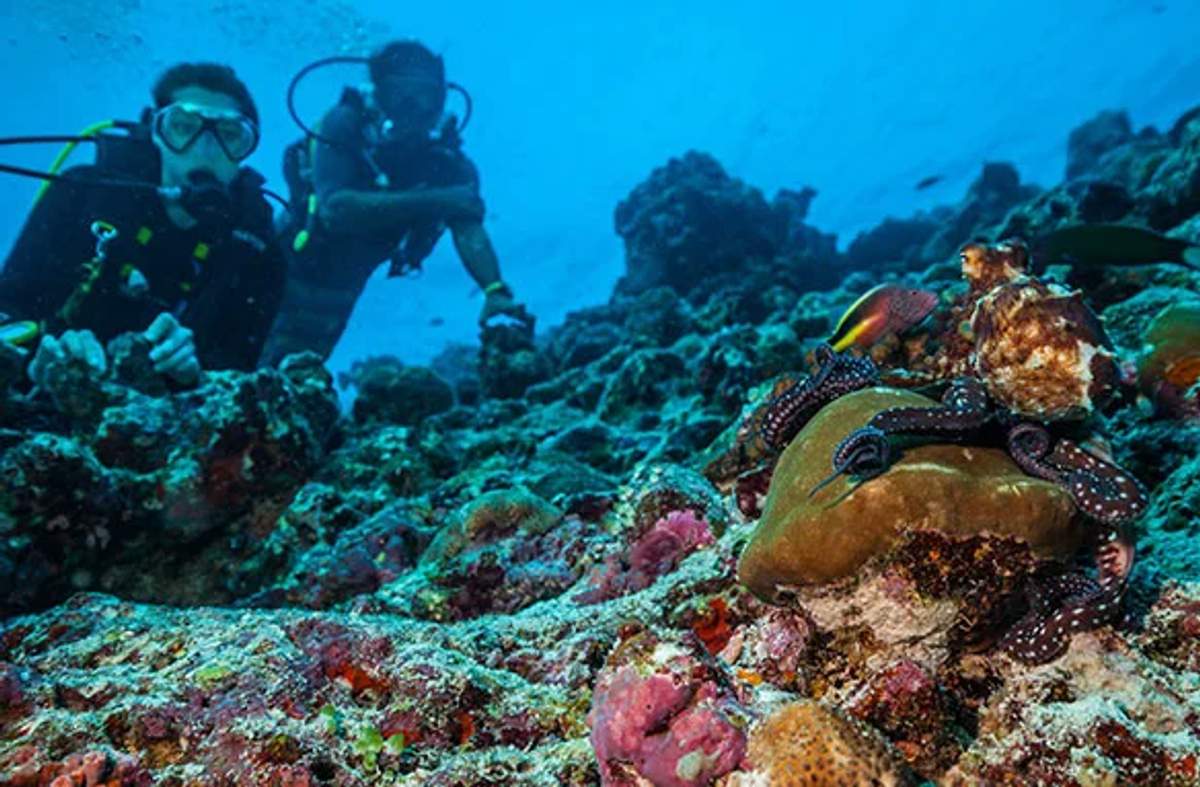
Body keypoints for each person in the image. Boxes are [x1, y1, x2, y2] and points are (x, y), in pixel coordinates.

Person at [0, 62, 286, 389]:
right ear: (156, 133)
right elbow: (8, 303)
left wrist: (196, 374)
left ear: (244, 151)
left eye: (230, 135)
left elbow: (237, 373)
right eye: (182, 127)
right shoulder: (80, 193)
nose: (204, 151)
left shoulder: (259, 253)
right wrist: (35, 356)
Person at [263, 40, 530, 364]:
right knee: (236, 361)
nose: (413, 107)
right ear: (378, 94)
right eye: (400, 94)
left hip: (343, 290)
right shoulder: (344, 125)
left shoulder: (448, 164)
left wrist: (495, 291)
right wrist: (438, 199)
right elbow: (336, 209)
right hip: (280, 272)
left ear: (440, 99)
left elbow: (468, 226)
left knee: (294, 375)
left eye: (424, 95)